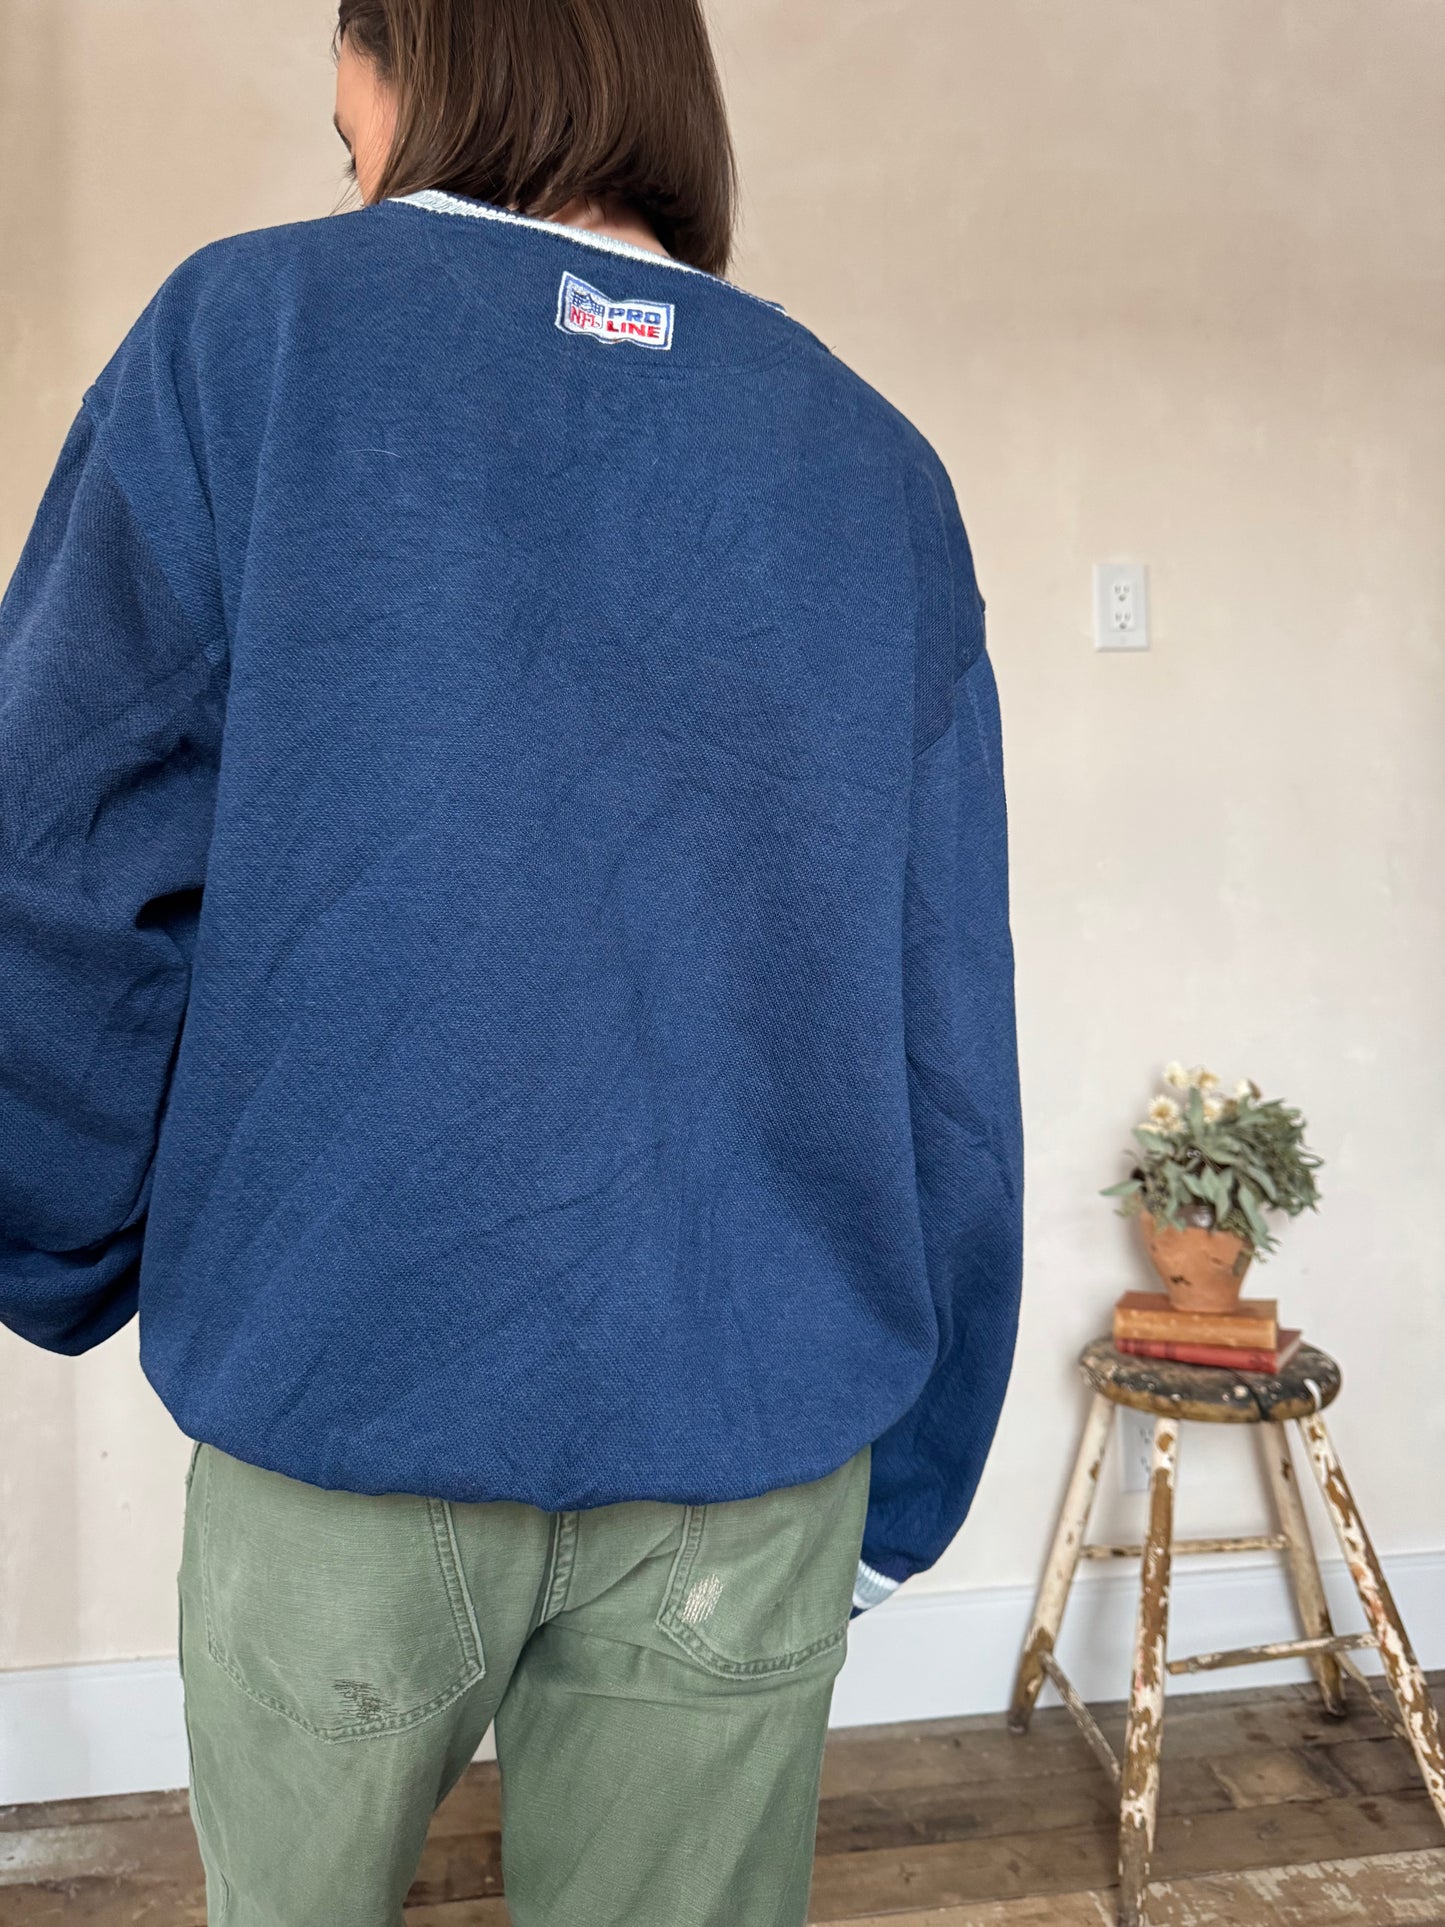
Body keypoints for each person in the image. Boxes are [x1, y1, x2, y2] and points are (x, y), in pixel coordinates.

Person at [0, 1, 1025, 1921]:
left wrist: (50, 1236)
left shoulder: (250, 339)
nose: (355, 180)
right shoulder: (874, 465)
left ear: (415, 63)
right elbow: (942, 1011)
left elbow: (57, 856)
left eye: (348, 135)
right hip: (751, 1426)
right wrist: (918, 1456)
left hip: (346, 1384)